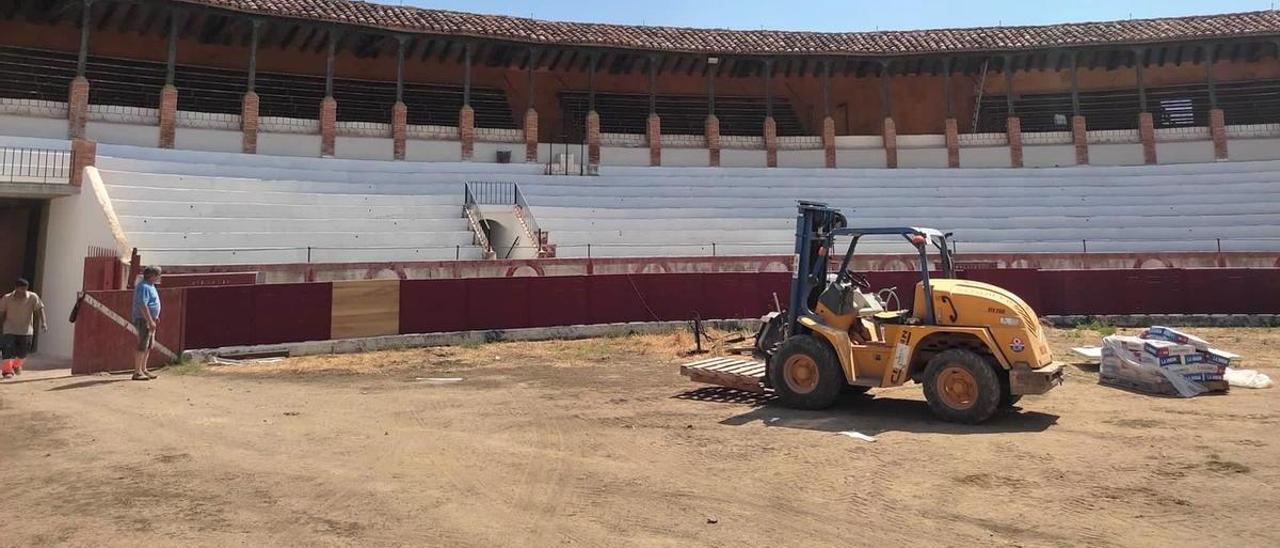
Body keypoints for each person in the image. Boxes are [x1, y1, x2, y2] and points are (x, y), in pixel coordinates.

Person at [0, 278, 46, 379]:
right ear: (16, 288)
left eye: (25, 290)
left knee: (24, 351)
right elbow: (2, 313)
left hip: (26, 329)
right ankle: (7, 371)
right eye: (21, 290)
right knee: (7, 349)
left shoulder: (33, 297)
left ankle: (16, 365)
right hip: (9, 328)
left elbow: (40, 308)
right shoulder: (7, 298)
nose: (23, 292)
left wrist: (44, 323)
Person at [132, 266, 163, 381]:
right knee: (143, 344)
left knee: (148, 345)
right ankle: (137, 371)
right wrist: (149, 320)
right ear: (152, 276)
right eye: (158, 275)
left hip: (149, 318)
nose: (159, 277)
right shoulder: (144, 287)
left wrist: (155, 317)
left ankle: (143, 369)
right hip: (143, 319)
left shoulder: (150, 286)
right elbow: (142, 305)